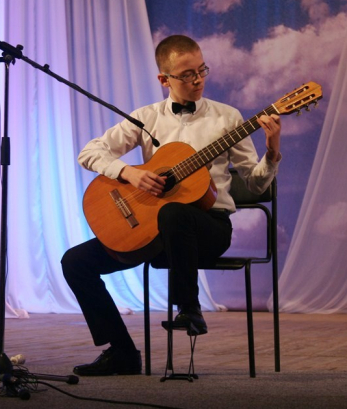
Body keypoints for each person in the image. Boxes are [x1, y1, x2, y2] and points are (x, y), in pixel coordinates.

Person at [62, 35, 281, 376]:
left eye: (202, 70)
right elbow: (89, 152)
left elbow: (254, 183)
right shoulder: (145, 118)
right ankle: (122, 353)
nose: (198, 80)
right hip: (157, 234)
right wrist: (129, 173)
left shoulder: (228, 118)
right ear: (164, 79)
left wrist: (272, 150)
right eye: (187, 74)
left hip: (210, 229)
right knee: (75, 262)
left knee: (174, 211)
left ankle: (189, 308)